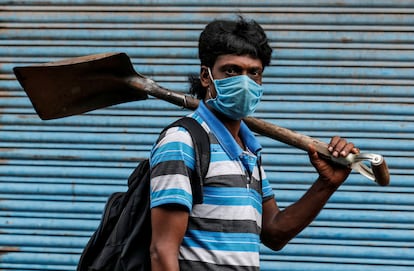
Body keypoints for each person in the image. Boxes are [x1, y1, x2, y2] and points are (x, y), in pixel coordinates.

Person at [149, 17, 359, 271]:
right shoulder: (183, 141)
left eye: (254, 72)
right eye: (232, 70)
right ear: (206, 76)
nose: (244, 82)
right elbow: (162, 252)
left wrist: (327, 184)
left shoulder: (248, 150)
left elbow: (274, 233)